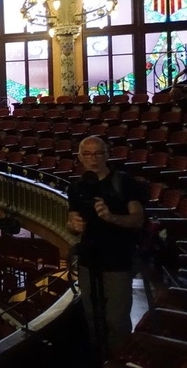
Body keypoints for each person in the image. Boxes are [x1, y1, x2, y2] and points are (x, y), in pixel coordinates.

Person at [66, 135, 147, 364]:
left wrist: (110, 217)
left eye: (99, 153)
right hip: (88, 260)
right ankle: (99, 359)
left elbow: (138, 219)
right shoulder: (77, 188)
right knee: (92, 317)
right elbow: (71, 221)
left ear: (107, 155)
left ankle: (119, 362)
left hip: (117, 260)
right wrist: (73, 226)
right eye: (88, 154)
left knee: (116, 320)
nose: (94, 159)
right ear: (80, 158)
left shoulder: (123, 183)